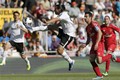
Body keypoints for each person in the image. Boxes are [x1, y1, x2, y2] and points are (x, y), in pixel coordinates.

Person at [44, 2, 76, 71]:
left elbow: (56, 19)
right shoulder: (62, 14)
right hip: (65, 32)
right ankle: (34, 29)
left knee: (59, 50)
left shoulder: (64, 14)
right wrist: (48, 24)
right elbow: (57, 24)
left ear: (59, 9)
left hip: (69, 35)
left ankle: (71, 61)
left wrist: (48, 22)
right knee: (50, 27)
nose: (54, 10)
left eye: (56, 8)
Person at [84, 12, 113, 80]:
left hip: (99, 43)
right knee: (91, 59)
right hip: (94, 43)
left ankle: (110, 56)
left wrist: (97, 43)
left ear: (91, 17)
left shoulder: (94, 24)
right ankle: (99, 75)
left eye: (86, 16)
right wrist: (84, 45)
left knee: (99, 61)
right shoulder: (87, 28)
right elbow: (88, 38)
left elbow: (99, 32)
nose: (85, 18)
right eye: (84, 17)